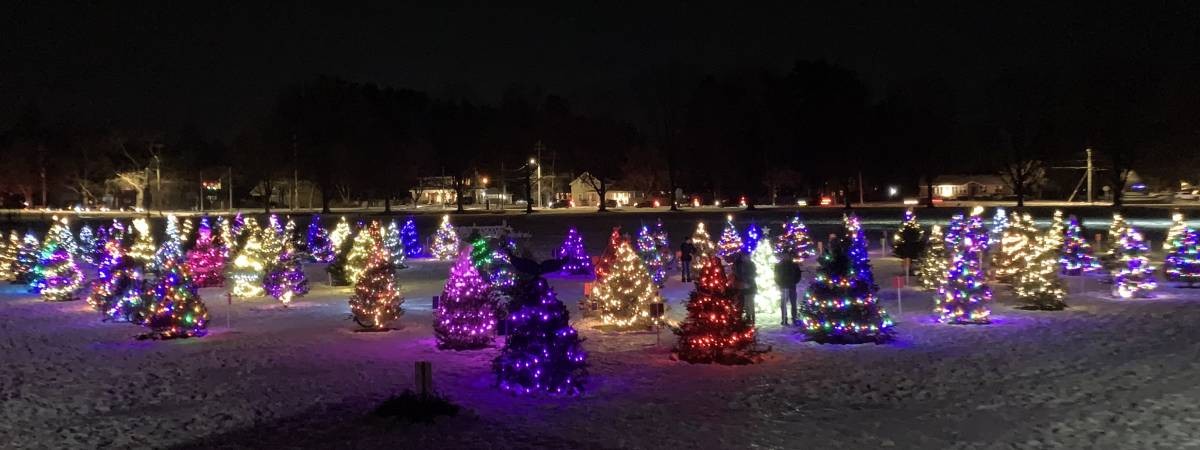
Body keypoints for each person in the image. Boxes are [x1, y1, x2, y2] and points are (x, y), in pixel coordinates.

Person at [775, 257, 803, 326]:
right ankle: (784, 319)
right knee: (784, 303)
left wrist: (795, 281)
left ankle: (794, 318)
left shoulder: (794, 265)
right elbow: (776, 276)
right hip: (784, 286)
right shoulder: (779, 265)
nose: (786, 256)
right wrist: (780, 283)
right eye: (785, 254)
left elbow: (798, 274)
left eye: (787, 255)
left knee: (793, 303)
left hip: (792, 286)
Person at [732, 253, 756, 324]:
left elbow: (752, 274)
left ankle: (751, 316)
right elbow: (738, 274)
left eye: (745, 257)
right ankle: (748, 317)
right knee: (746, 302)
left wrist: (748, 283)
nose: (744, 258)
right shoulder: (740, 265)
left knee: (750, 302)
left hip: (750, 286)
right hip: (743, 286)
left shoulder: (751, 265)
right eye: (743, 257)